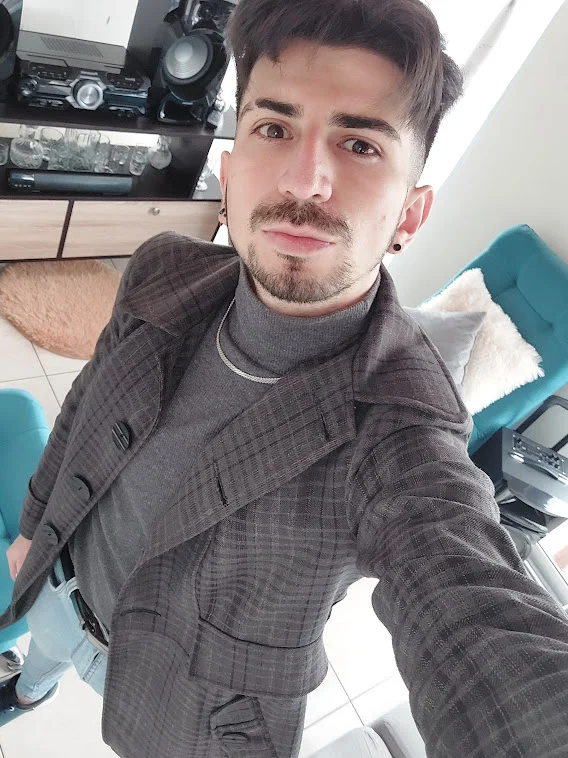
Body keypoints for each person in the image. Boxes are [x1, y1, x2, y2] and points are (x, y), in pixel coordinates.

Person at [2, 0, 568, 755]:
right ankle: (29, 688)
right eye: (274, 128)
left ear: (410, 215)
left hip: (170, 698)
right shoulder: (162, 270)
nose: (306, 181)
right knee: (38, 665)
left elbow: (472, 603)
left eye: (360, 144)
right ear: (229, 174)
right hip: (57, 582)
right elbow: (84, 408)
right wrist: (33, 528)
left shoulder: (404, 431)